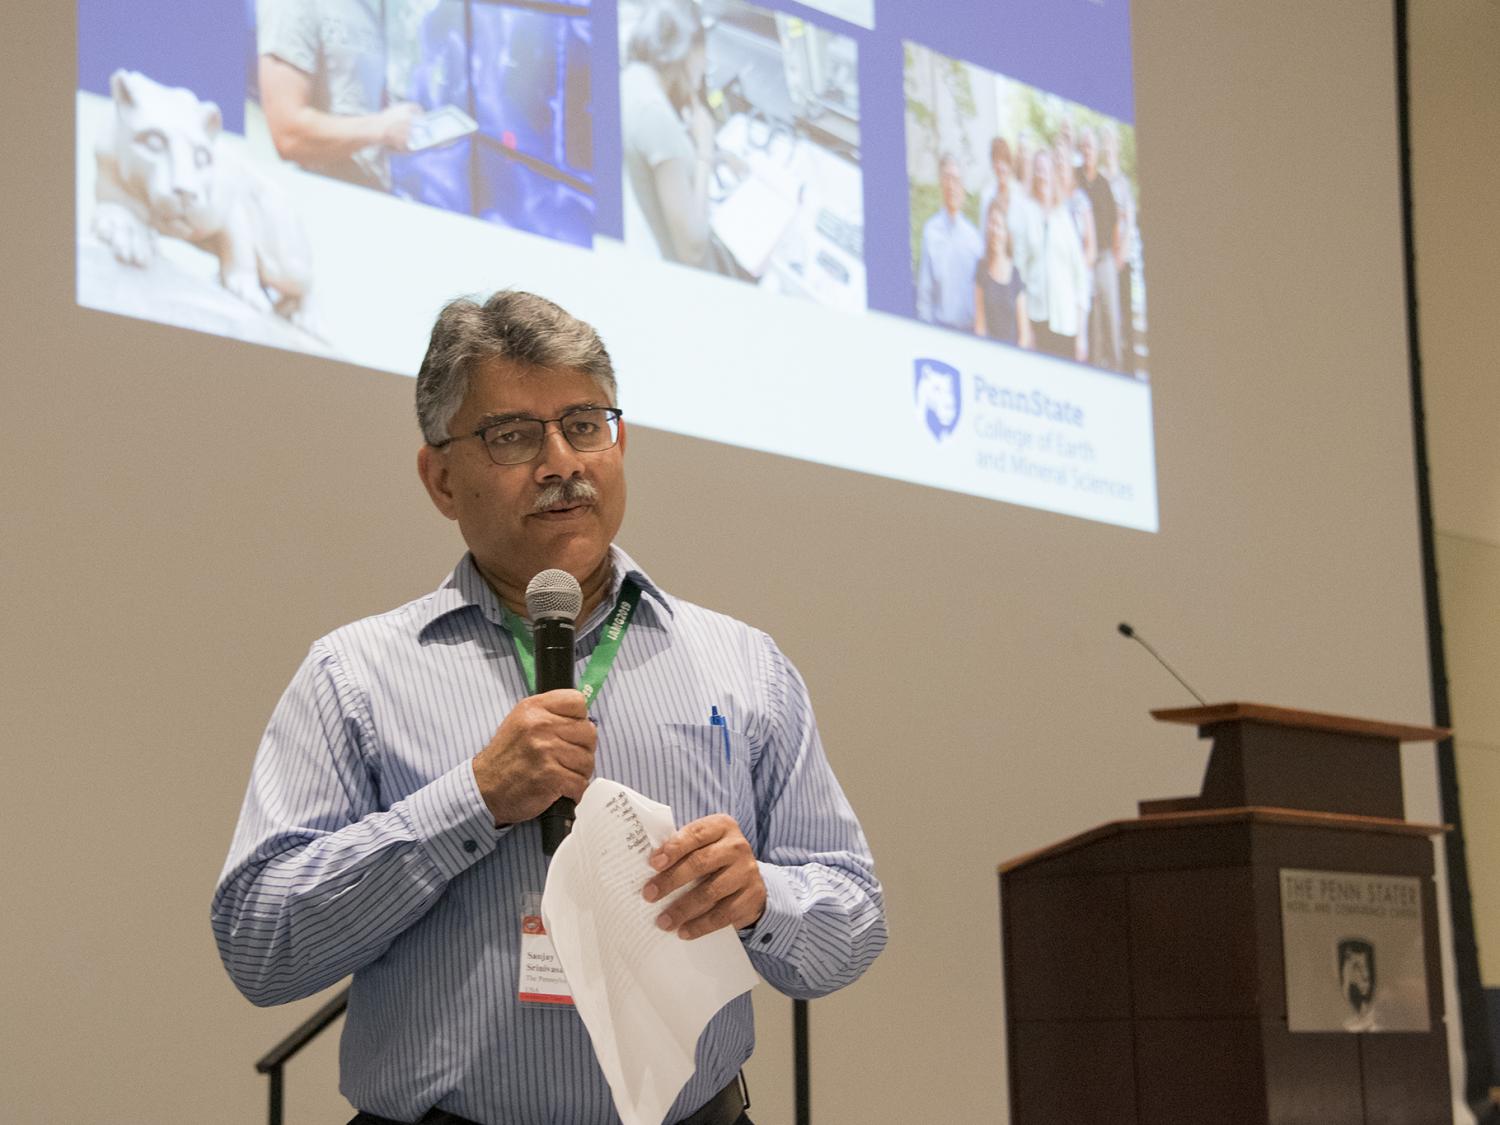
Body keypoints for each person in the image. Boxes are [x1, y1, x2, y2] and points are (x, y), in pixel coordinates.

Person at [212, 290, 886, 1125]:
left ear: (620, 441)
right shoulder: (356, 675)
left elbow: (854, 917)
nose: (561, 461)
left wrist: (760, 900)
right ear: (440, 477)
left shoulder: (743, 666)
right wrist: (472, 799)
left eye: (584, 423)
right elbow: (260, 942)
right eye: (513, 435)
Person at [256, 0, 421, 191]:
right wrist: (381, 128)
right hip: (320, 204)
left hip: (375, 203)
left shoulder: (376, 9)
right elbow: (288, 134)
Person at [620, 0, 720, 268]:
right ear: (687, 50)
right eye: (703, 51)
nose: (706, 62)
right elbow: (693, 249)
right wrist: (705, 151)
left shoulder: (633, 79)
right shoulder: (654, 114)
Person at [915, 153, 983, 330]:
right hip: (940, 329)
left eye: (956, 179)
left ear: (963, 186)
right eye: (947, 178)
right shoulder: (931, 231)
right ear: (941, 183)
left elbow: (982, 293)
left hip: (970, 332)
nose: (952, 186)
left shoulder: (974, 238)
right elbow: (925, 292)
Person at [1078, 127, 1123, 372]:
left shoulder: (1105, 184)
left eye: (1091, 147)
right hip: (1084, 263)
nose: (1087, 151)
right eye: (1083, 147)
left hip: (1105, 260)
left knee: (1110, 317)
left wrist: (1115, 257)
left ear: (1096, 152)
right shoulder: (1075, 179)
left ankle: (1117, 366)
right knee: (1091, 323)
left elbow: (1117, 222)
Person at [973, 198, 1030, 347]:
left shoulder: (1016, 275)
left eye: (998, 225)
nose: (994, 230)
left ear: (1006, 232)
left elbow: (1024, 333)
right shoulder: (981, 269)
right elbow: (980, 324)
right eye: (991, 223)